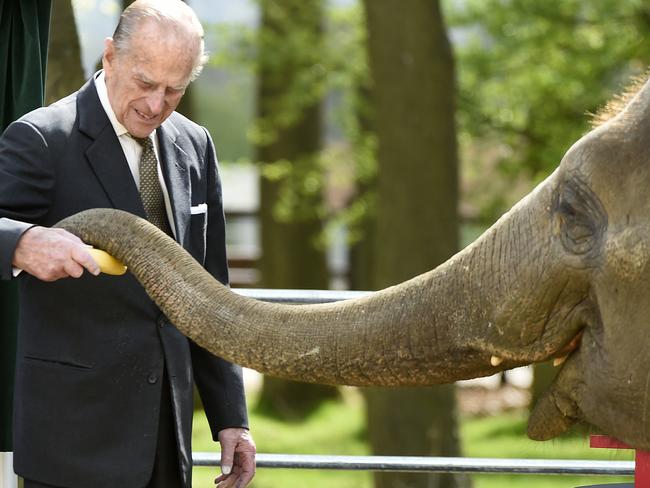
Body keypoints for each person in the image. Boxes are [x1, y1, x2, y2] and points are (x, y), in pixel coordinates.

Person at [0, 1, 256, 487]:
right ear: (110, 57)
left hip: (168, 441)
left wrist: (231, 418)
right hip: (71, 447)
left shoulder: (196, 145)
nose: (157, 104)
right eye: (145, 83)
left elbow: (211, 293)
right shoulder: (40, 139)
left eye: (174, 89)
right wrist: (22, 242)